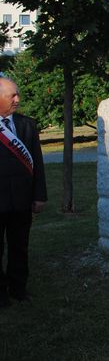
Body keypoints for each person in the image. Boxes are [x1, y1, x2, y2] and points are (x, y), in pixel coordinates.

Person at [0, 76, 47, 307]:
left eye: (17, 94)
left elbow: (36, 162)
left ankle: (19, 289)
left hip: (21, 200)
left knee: (20, 246)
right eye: (12, 95)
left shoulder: (27, 124)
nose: (18, 99)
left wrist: (39, 196)